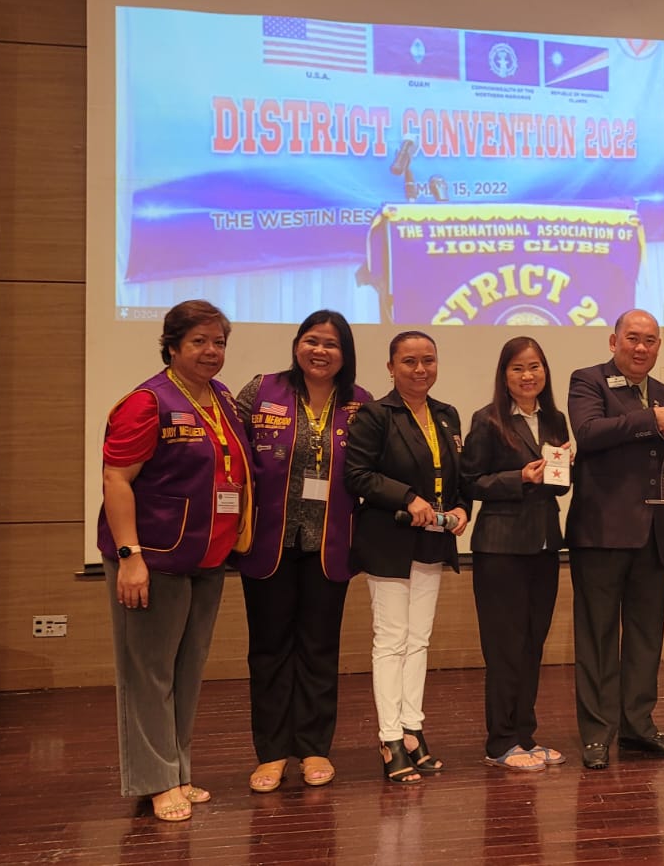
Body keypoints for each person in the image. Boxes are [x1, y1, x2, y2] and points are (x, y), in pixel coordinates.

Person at [97, 299, 253, 822]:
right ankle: (155, 779)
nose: (212, 352)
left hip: (208, 556)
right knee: (148, 673)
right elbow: (117, 479)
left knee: (186, 671)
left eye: (219, 343)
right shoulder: (147, 402)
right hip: (154, 559)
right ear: (172, 346)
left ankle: (179, 769)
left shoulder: (223, 398)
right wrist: (129, 558)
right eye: (199, 342)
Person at [231, 310, 373, 793]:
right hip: (268, 542)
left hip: (330, 545)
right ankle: (271, 753)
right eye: (312, 341)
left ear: (345, 354)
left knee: (318, 648)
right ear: (296, 346)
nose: (320, 351)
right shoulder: (260, 390)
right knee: (269, 649)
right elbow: (231, 452)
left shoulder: (360, 402)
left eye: (331, 344)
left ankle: (314, 747)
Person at [564, 309, 664, 769]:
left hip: (653, 535)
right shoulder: (588, 381)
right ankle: (596, 734)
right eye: (633, 338)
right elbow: (588, 435)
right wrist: (651, 418)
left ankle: (638, 727)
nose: (641, 347)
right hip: (602, 534)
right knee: (598, 639)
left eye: (650, 340)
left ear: (659, 345)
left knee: (646, 639)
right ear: (613, 341)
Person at [344, 331, 471, 784]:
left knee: (419, 640)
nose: (420, 370)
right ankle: (389, 736)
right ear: (391, 367)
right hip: (389, 541)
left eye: (429, 361)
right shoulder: (375, 415)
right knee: (392, 639)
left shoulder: (447, 414)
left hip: (433, 541)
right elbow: (357, 475)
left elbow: (458, 479)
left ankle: (413, 729)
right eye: (410, 362)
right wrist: (409, 498)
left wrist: (460, 509)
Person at [459, 337, 572, 773]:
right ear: (504, 376)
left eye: (536, 367)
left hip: (544, 544)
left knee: (532, 645)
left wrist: (562, 470)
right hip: (501, 548)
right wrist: (518, 476)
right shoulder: (487, 420)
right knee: (505, 648)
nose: (529, 376)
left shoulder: (556, 419)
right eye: (519, 369)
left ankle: (525, 734)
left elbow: (558, 484)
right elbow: (471, 482)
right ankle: (500, 741)